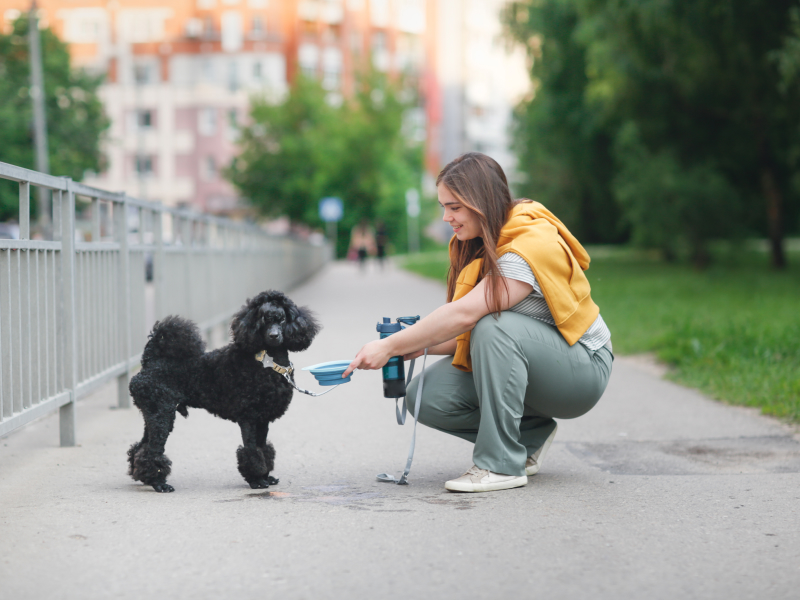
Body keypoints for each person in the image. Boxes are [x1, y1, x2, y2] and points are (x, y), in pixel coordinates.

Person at [343, 152, 613, 493]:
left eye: (454, 207)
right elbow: (466, 332)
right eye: (443, 207)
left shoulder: (528, 245)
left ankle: (500, 464)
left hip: (583, 370)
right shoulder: (480, 243)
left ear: (481, 200)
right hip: (541, 362)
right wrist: (412, 346)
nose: (446, 217)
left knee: (494, 326)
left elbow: (466, 315)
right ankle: (530, 436)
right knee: (425, 395)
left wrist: (390, 345)